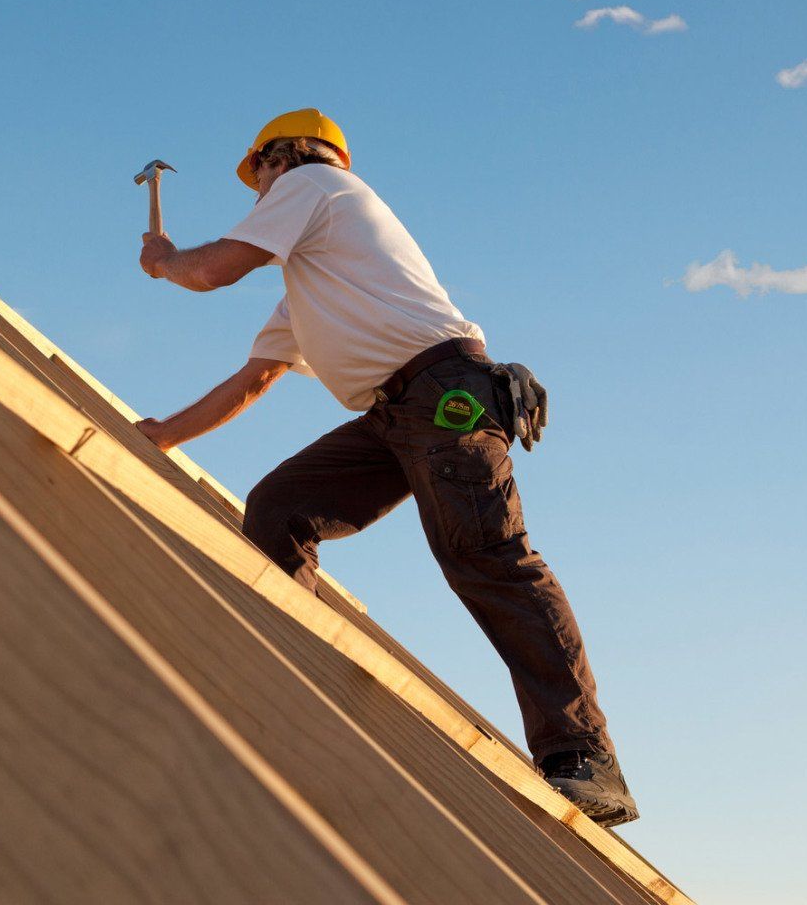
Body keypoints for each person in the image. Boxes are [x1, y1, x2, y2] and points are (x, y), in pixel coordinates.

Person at [134, 108, 638, 826]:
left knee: (488, 557)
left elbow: (211, 270)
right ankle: (298, 678)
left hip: (445, 395)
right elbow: (253, 380)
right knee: (279, 509)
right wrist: (162, 437)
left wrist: (163, 262)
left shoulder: (320, 185)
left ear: (287, 157)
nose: (257, 198)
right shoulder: (313, 278)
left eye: (258, 176)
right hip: (396, 414)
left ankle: (585, 757)